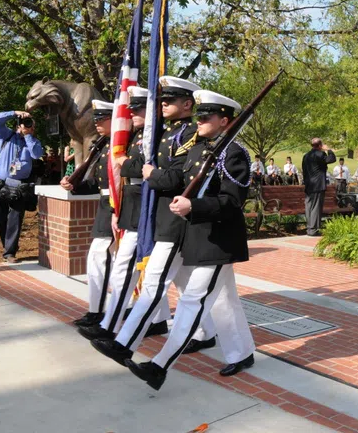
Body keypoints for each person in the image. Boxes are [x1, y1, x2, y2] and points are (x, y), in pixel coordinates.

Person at [125, 88, 256, 390]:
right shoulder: (198, 150)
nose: (199, 121)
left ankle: (160, 365)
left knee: (192, 300)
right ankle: (242, 352)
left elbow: (232, 201)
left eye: (205, 116)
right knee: (224, 299)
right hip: (194, 237)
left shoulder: (235, 153)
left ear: (225, 120)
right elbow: (178, 183)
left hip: (219, 241)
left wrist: (193, 206)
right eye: (197, 115)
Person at [92, 76, 205, 366]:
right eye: (162, 99)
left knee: (154, 282)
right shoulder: (168, 133)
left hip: (174, 220)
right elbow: (149, 166)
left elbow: (172, 176)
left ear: (187, 103)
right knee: (190, 285)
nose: (163, 104)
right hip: (159, 217)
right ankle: (210, 334)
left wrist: (150, 173)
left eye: (169, 100)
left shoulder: (191, 134)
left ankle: (123, 342)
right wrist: (149, 171)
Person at [61, 101, 116, 328]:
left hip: (118, 208)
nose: (97, 123)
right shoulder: (104, 144)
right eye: (96, 118)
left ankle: (98, 312)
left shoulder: (122, 146)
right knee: (99, 260)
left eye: (102, 118)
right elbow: (98, 182)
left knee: (102, 259)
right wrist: (75, 186)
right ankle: (96, 310)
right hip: (106, 206)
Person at [0, 110, 44, 263]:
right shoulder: (7, 136)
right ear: (18, 125)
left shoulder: (33, 142)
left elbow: (36, 154)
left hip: (18, 188)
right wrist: (14, 113)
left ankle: (9, 252)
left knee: (15, 218)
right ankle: (7, 244)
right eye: (26, 123)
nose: (28, 126)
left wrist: (28, 135)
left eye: (31, 124)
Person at [301, 138, 336, 236]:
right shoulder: (320, 154)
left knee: (309, 207)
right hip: (318, 185)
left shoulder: (306, 156)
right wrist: (328, 150)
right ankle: (314, 230)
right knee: (316, 207)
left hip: (309, 184)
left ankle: (309, 228)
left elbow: (304, 170)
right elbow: (332, 159)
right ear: (320, 145)